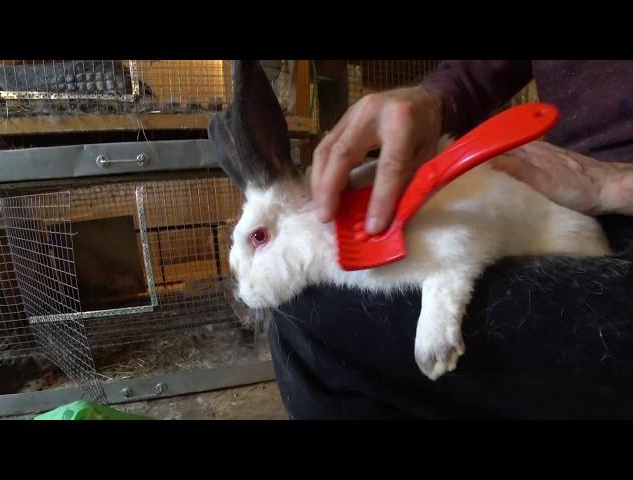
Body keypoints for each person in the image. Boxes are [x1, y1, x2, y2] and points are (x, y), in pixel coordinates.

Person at [269, 60, 633, 419]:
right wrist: (432, 100)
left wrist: (615, 186)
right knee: (311, 314)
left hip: (606, 220)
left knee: (317, 329)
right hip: (566, 185)